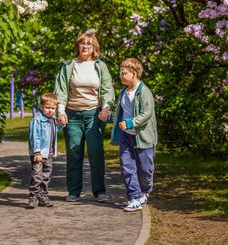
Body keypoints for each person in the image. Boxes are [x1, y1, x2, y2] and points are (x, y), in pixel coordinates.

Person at [55, 31, 115, 202]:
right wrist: (60, 112)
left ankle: (99, 191)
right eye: (82, 43)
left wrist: (106, 107)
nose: (85, 46)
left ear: (94, 47)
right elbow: (61, 90)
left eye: (89, 44)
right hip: (72, 115)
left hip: (94, 115)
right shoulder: (68, 66)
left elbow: (107, 89)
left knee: (96, 152)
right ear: (78, 46)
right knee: (74, 153)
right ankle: (74, 191)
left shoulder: (100, 66)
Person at [111, 58, 157, 212]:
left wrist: (131, 123)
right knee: (127, 167)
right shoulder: (124, 91)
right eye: (120, 72)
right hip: (126, 136)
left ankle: (145, 191)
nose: (120, 75)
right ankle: (134, 197)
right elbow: (122, 112)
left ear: (134, 74)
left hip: (143, 137)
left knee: (145, 169)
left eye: (123, 73)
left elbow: (147, 113)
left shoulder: (144, 91)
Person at [27, 92, 60, 209]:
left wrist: (62, 123)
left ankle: (43, 195)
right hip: (39, 153)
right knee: (37, 175)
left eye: (53, 108)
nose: (50, 110)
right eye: (47, 107)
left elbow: (56, 131)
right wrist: (37, 152)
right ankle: (33, 196)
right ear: (41, 106)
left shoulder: (53, 120)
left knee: (46, 176)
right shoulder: (37, 120)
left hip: (49, 153)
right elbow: (34, 136)